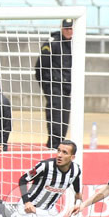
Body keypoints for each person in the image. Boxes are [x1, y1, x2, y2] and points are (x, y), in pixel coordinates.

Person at [34, 19, 73, 150]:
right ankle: (54, 146)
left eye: (71, 28)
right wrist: (46, 84)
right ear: (62, 28)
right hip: (55, 85)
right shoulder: (53, 42)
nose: (69, 31)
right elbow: (40, 65)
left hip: (67, 87)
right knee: (56, 118)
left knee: (64, 119)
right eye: (67, 28)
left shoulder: (73, 44)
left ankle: (58, 145)